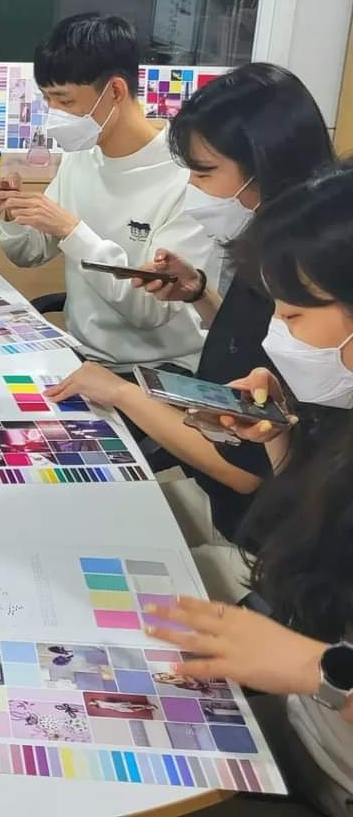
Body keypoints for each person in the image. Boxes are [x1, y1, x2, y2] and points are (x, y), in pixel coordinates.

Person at [45, 65, 334, 592]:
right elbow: (250, 346)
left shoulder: (306, 273)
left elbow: (244, 469)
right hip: (227, 497)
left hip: (254, 537)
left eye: (203, 174)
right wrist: (200, 294)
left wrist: (121, 393)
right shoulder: (269, 245)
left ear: (262, 167)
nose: (192, 189)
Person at [146, 161, 353, 816]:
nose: (273, 337)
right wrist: (279, 434)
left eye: (293, 314)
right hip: (301, 730)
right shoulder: (340, 423)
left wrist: (315, 670)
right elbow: (314, 545)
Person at [0, 13, 213, 373]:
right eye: (47, 100)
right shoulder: (82, 154)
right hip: (84, 359)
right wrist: (12, 213)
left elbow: (150, 310)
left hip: (160, 371)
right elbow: (29, 253)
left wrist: (72, 231)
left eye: (65, 102)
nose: (54, 116)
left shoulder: (190, 176)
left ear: (115, 92)